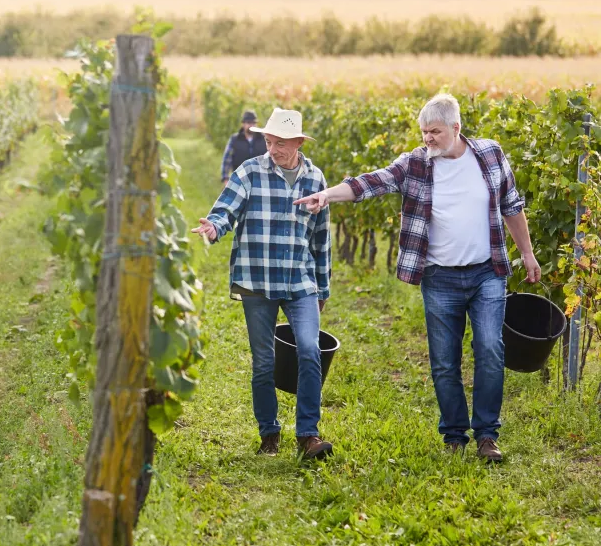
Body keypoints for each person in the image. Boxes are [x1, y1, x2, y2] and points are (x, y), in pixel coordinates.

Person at [295, 94, 540, 463]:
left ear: (456, 128)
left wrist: (527, 252)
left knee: (490, 349)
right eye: (424, 132)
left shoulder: (489, 155)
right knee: (444, 360)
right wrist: (328, 195)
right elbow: (371, 183)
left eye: (435, 132)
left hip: (486, 273)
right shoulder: (415, 164)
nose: (428, 139)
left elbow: (512, 207)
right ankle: (454, 435)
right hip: (439, 277)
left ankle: (487, 436)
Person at [193, 108, 334, 460]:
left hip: (300, 281)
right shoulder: (250, 172)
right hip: (257, 279)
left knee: (308, 351)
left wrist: (323, 288)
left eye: (281, 143)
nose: (273, 149)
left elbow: (321, 239)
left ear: (299, 142)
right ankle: (269, 433)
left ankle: (308, 435)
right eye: (269, 141)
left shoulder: (315, 179)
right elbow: (226, 209)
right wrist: (213, 227)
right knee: (264, 362)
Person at [220, 110, 267, 185]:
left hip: (261, 181)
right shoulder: (234, 139)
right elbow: (227, 159)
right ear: (243, 124)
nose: (251, 126)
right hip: (239, 180)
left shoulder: (264, 139)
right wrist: (225, 178)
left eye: (253, 123)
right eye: (248, 123)